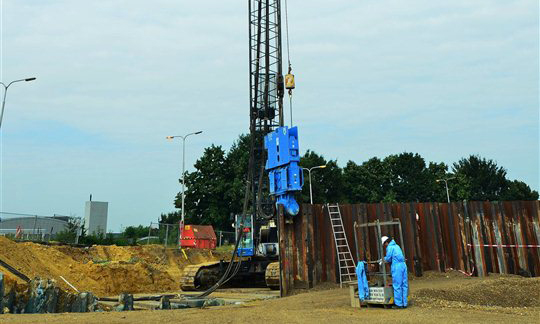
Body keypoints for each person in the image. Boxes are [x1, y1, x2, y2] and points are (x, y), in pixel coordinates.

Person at [382, 235, 408, 309]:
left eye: (384, 244)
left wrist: (383, 259)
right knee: (404, 284)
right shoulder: (397, 246)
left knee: (397, 285)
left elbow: (389, 258)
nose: (384, 246)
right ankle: (404, 303)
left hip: (397, 267)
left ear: (386, 242)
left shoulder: (389, 247)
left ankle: (398, 304)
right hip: (403, 265)